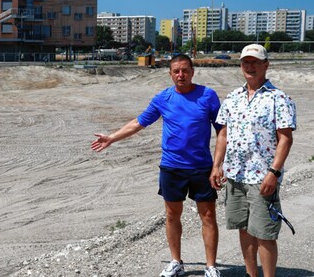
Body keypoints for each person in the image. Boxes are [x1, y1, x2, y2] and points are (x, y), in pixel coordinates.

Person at [91, 54, 222, 277]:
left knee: (208, 216)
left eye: (185, 70)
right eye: (176, 71)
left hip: (202, 167)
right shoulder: (163, 98)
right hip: (171, 167)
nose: (181, 75)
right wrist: (112, 137)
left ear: (192, 71)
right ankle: (176, 262)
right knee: (172, 215)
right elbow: (138, 123)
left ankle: (210, 266)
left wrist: (219, 165)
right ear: (170, 74)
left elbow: (222, 131)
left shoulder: (208, 96)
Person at [210, 44, 296, 277]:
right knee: (244, 228)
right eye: (246, 62)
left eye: (255, 62)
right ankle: (251, 274)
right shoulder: (232, 97)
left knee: (265, 233)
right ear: (240, 66)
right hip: (235, 175)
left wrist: (274, 172)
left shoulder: (279, 98)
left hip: (262, 178)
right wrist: (216, 166)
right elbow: (223, 134)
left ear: (266, 65)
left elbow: (285, 139)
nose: (250, 66)